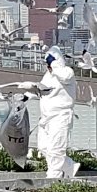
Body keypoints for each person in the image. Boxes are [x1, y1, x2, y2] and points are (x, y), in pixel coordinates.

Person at [37, 46, 80, 179]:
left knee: (56, 149)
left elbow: (65, 77)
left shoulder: (67, 72)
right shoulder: (48, 76)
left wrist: (54, 63)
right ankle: (69, 166)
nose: (48, 67)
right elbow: (43, 90)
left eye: (49, 63)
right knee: (44, 147)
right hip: (46, 118)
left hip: (60, 116)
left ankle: (53, 178)